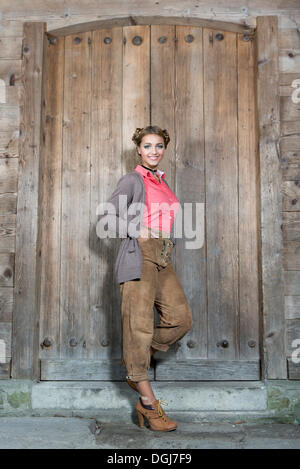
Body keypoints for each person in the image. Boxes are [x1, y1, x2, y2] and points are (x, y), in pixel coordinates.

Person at [98, 125, 193, 431]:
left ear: (165, 149)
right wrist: (135, 230)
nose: (154, 151)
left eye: (159, 146)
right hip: (140, 254)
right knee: (138, 328)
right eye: (148, 146)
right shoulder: (132, 179)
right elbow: (107, 217)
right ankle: (148, 404)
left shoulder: (163, 183)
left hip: (163, 255)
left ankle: (134, 359)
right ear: (138, 149)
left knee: (180, 319)